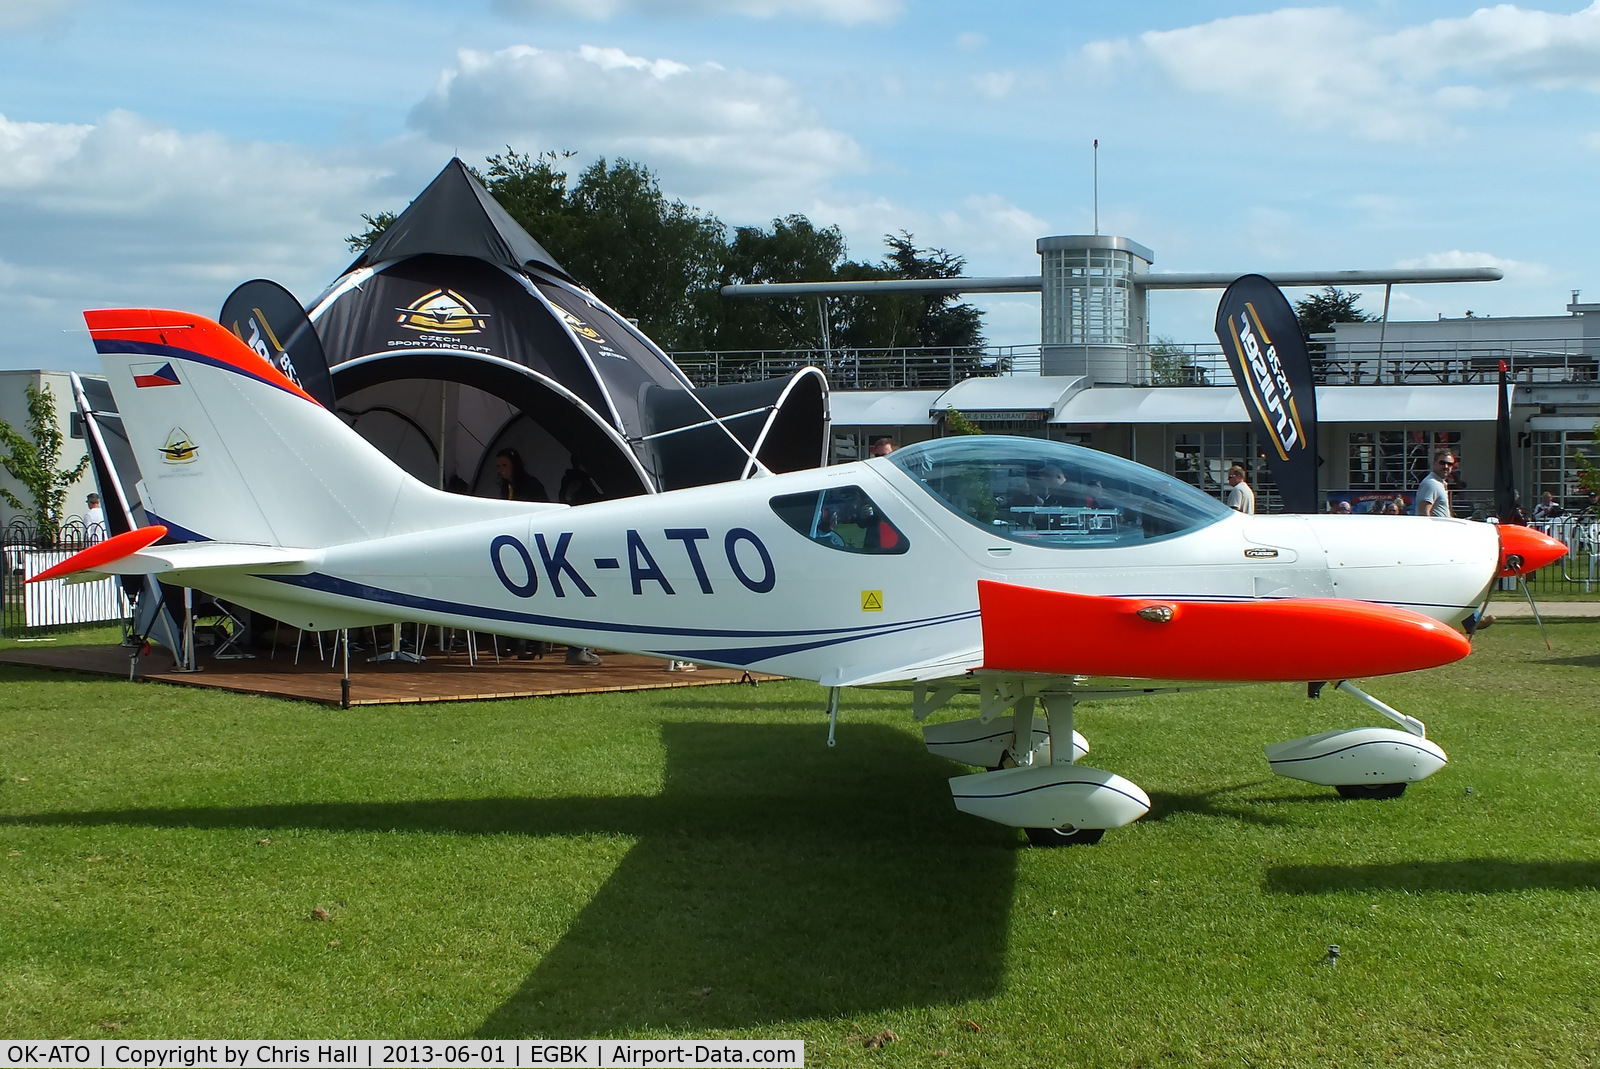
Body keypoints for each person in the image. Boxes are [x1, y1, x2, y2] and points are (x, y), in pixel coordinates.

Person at [1415, 451, 1454, 517]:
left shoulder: (1440, 483)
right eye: (1442, 463)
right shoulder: (1430, 483)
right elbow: (1423, 512)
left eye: (1449, 464)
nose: (1446, 466)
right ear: (1434, 464)